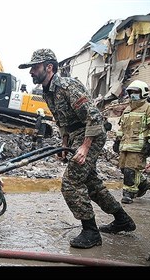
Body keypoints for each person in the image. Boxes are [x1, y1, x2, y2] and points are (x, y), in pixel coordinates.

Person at [18, 48, 136, 249]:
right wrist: (65, 144)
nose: (31, 72)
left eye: (34, 67)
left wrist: (84, 147)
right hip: (75, 136)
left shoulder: (67, 86)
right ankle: (122, 219)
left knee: (71, 183)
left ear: (49, 67)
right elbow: (62, 120)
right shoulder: (48, 92)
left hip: (92, 133)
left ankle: (91, 232)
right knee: (91, 183)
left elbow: (94, 118)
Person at [112, 80, 150, 204]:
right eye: (131, 92)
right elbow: (122, 127)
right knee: (123, 169)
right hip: (125, 145)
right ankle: (143, 183)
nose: (133, 95)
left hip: (139, 146)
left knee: (131, 170)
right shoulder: (127, 109)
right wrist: (117, 140)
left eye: (136, 92)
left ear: (143, 93)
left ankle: (129, 194)